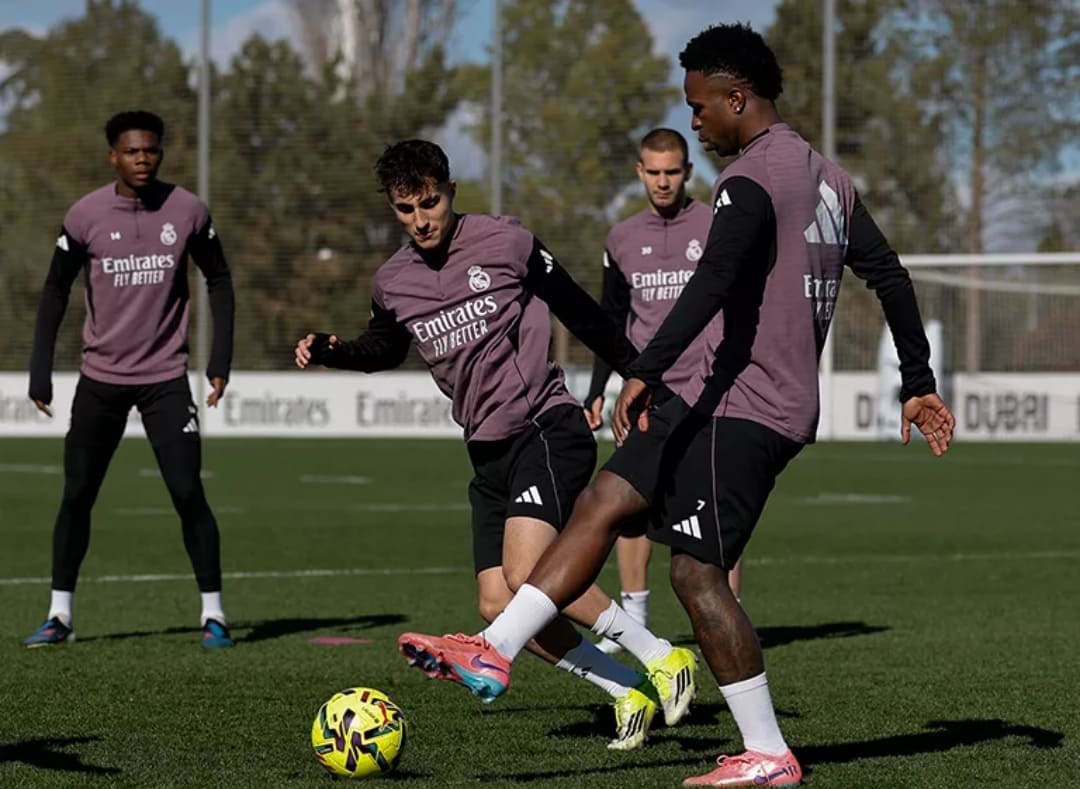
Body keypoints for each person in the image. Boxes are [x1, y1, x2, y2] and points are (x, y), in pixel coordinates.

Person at [398, 23, 956, 787]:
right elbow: (890, 276)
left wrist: (642, 369)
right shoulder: (830, 178)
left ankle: (768, 751)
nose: (694, 121)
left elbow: (715, 280)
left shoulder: (753, 179)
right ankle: (494, 646)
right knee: (604, 496)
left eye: (700, 107)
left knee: (695, 576)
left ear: (737, 98)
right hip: (711, 394)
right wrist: (917, 377)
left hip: (751, 405)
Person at [294, 139, 697, 750]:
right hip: (485, 449)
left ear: (451, 190)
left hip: (546, 427)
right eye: (406, 209)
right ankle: (625, 689)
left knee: (527, 573)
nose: (422, 219)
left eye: (430, 202)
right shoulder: (393, 281)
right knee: (495, 600)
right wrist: (334, 351)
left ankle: (663, 657)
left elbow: (584, 314)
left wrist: (642, 380)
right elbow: (386, 349)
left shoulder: (506, 242)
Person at [25, 110, 237, 649]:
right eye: (132, 151)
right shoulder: (85, 215)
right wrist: (40, 371)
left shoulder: (187, 209)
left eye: (152, 150)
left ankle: (214, 615)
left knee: (188, 491)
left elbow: (219, 280)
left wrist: (219, 362)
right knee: (77, 494)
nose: (143, 159)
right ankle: (60, 616)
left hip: (165, 377)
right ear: (113, 156)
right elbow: (54, 292)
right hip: (101, 379)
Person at [584, 128, 742, 655]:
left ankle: (726, 618)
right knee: (629, 505)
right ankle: (636, 618)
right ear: (639, 172)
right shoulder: (620, 238)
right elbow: (610, 319)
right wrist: (597, 389)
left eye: (672, 171)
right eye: (653, 171)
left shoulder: (714, 224)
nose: (663, 181)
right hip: (645, 394)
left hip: (709, 389)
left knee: (717, 507)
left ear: (687, 172)